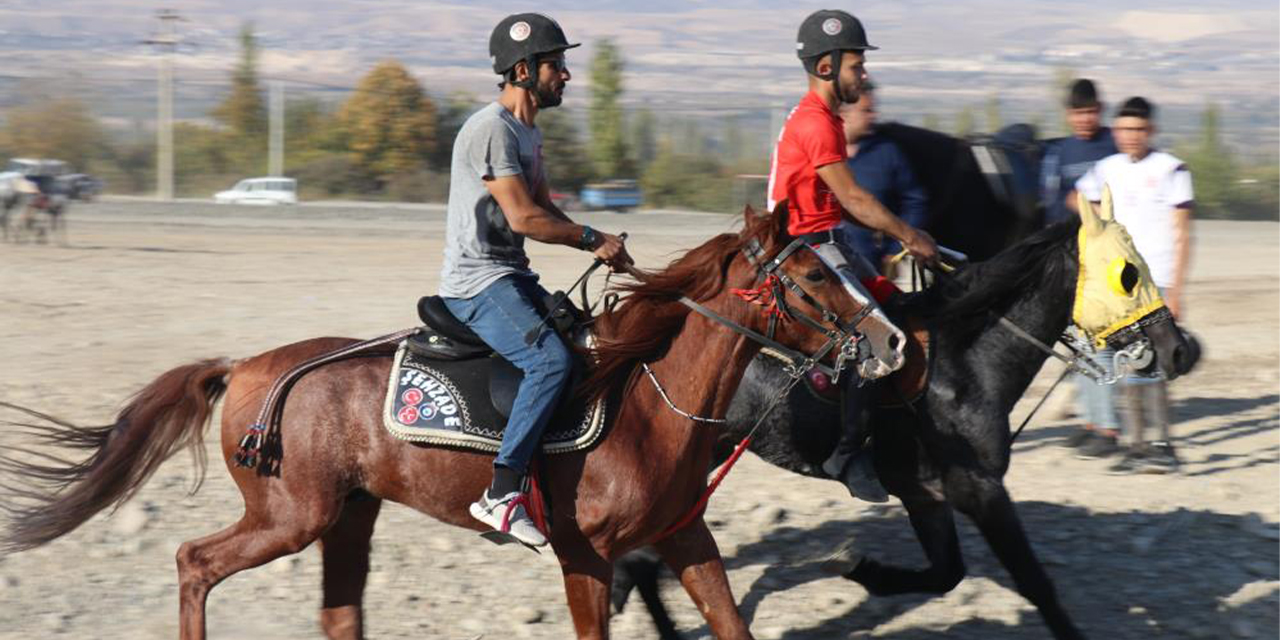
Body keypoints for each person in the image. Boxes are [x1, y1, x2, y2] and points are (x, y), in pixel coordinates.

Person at [439, 13, 632, 547]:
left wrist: (602, 246)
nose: (566, 74)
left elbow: (544, 207)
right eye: (557, 65)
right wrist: (591, 238)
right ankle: (501, 493)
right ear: (523, 70)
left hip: (513, 275)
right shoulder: (491, 130)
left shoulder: (527, 132)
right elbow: (525, 219)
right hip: (478, 283)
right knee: (548, 359)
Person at [768, 9, 938, 502]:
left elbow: (846, 207)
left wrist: (910, 237)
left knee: (900, 311)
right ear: (826, 67)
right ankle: (846, 451)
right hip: (804, 252)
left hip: (829, 241)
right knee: (874, 335)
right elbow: (856, 199)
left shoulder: (826, 120)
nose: (862, 77)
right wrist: (909, 232)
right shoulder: (816, 124)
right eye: (856, 66)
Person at [1075, 96, 1193, 472]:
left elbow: (1182, 234)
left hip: (1152, 280)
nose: (1130, 136)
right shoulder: (1106, 167)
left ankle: (1162, 446)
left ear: (1151, 130)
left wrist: (1175, 290)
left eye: (1138, 129)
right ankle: (1135, 446)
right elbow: (1081, 203)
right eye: (1124, 129)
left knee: (1149, 363)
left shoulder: (1171, 168)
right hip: (1114, 285)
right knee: (1118, 360)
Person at [1041, 79, 1123, 457]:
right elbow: (1052, 205)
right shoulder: (1059, 153)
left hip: (1110, 259)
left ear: (1100, 110)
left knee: (1102, 341)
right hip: (1073, 257)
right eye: (1078, 112)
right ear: (1068, 114)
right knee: (1080, 341)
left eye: (1090, 111)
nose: (1085, 118)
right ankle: (1091, 420)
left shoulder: (1115, 145)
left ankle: (1109, 426)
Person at [838, 80, 929, 274]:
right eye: (866, 110)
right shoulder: (820, 154)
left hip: (872, 267)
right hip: (826, 266)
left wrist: (895, 250)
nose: (874, 116)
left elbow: (915, 201)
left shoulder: (887, 152)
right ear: (844, 114)